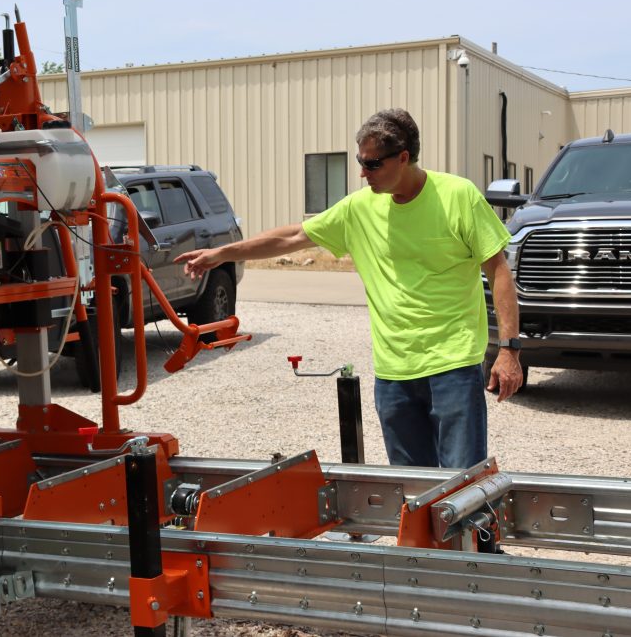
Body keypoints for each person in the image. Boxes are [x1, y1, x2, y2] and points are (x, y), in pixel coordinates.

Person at [175, 108, 522, 469]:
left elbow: (498, 270)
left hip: (453, 366)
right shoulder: (359, 208)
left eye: (371, 164)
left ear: (403, 158)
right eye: (360, 161)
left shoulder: (458, 196)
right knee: (413, 490)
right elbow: (292, 236)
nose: (361, 173)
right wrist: (222, 253)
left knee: (462, 488)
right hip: (394, 374)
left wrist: (509, 349)